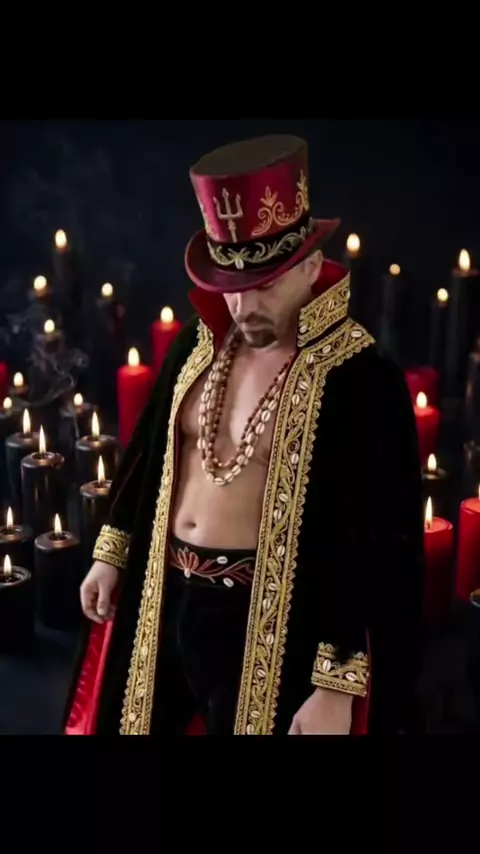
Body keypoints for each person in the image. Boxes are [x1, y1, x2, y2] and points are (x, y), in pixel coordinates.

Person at [63, 134, 425, 736]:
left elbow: (377, 543)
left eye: (265, 283)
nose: (242, 304)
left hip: (270, 623)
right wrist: (111, 555)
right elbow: (147, 457)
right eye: (230, 283)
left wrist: (335, 683)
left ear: (310, 267)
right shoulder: (196, 344)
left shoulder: (359, 376)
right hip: (164, 597)